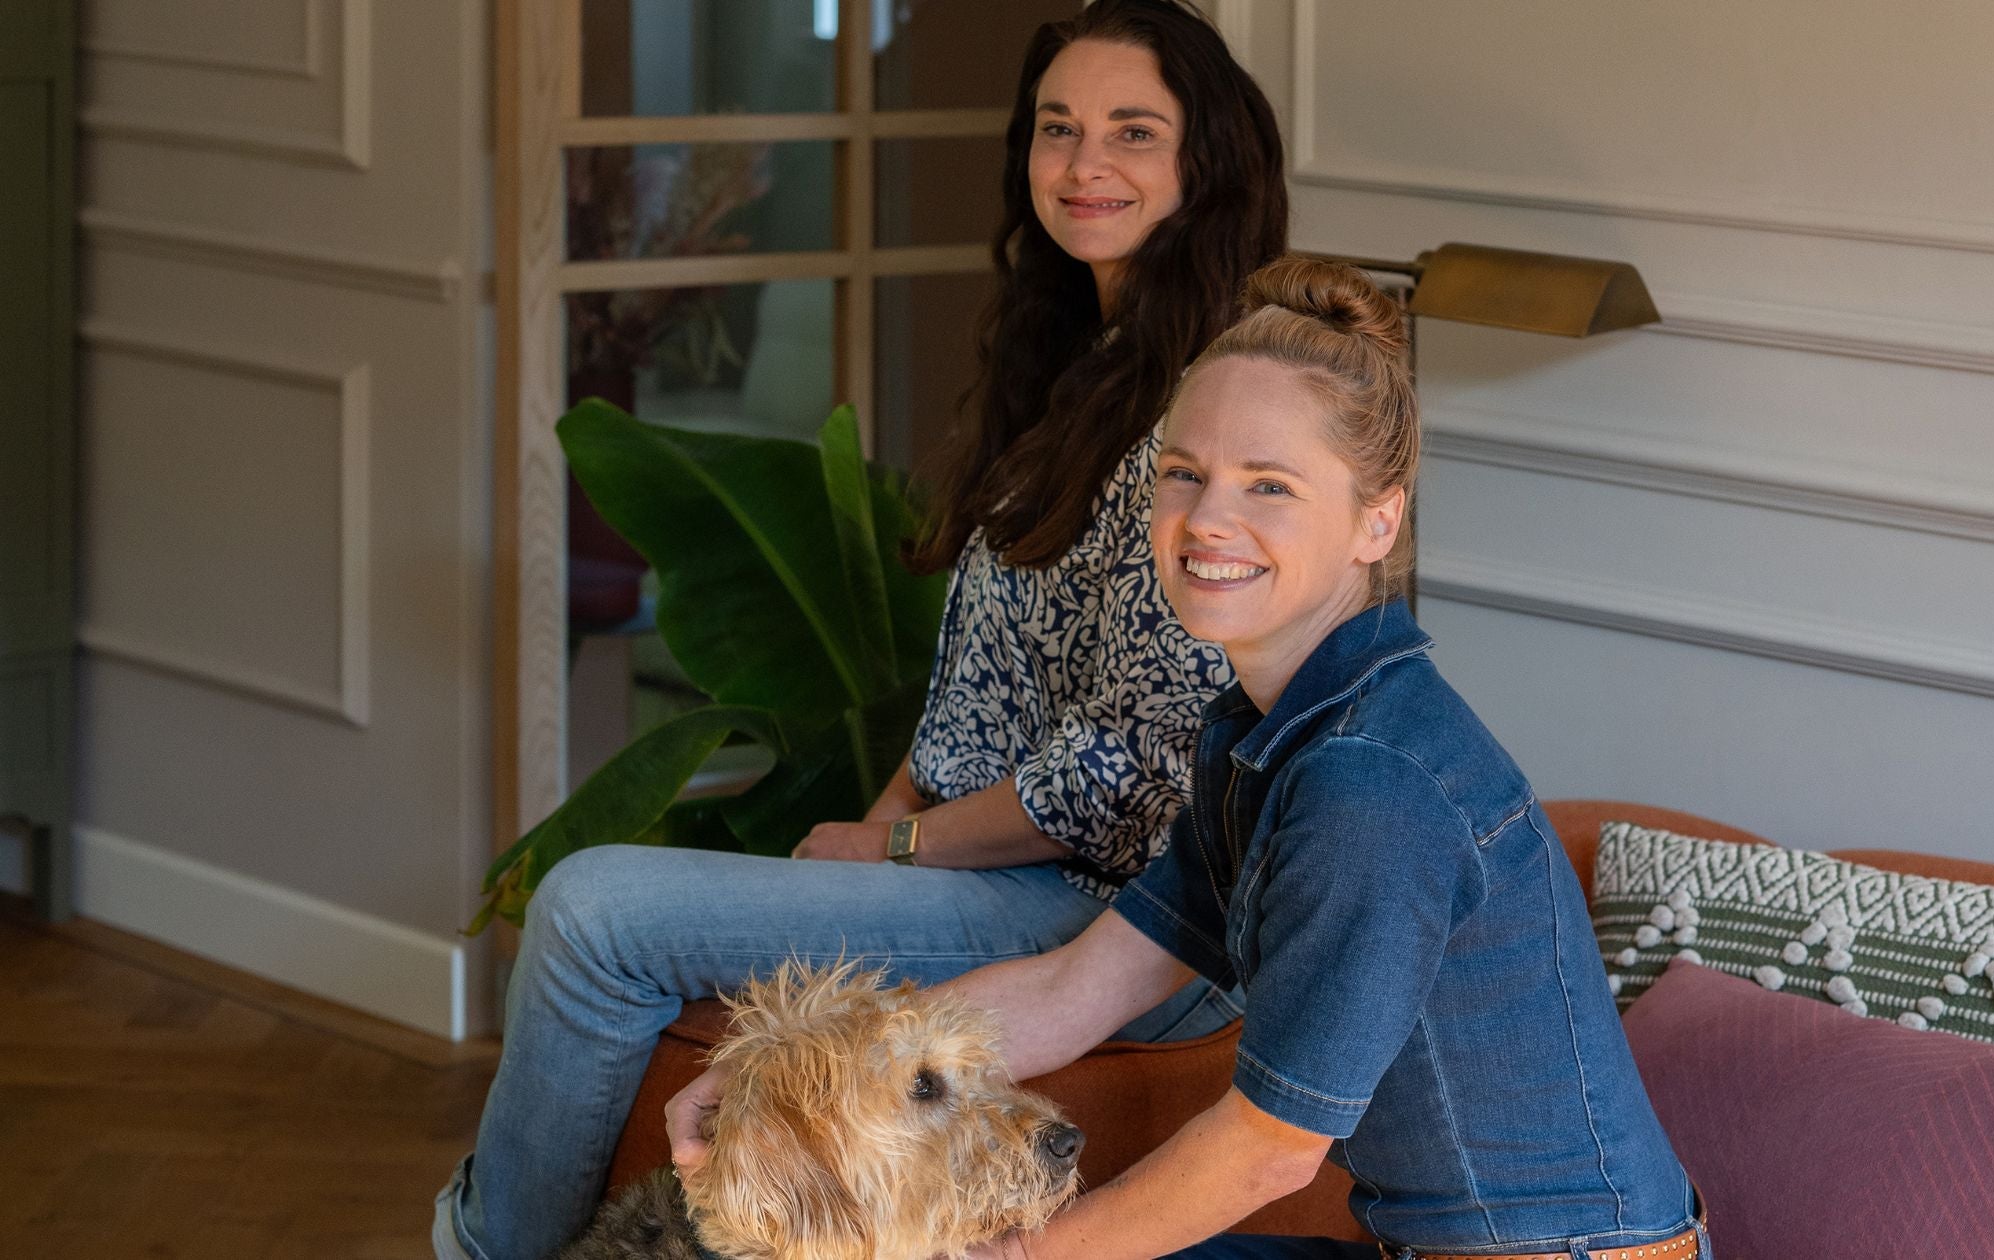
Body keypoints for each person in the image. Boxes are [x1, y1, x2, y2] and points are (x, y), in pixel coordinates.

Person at [434, 4, 1287, 1258]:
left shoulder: (1217, 408)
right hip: (1012, 884)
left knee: (590, 916)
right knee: (645, 918)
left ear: (1205, 165)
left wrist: (894, 851)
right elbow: (971, 715)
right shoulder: (1074, 374)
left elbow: (1129, 777)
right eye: (1057, 128)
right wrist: (860, 844)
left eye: (1131, 133)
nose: (1082, 163)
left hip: (1137, 927)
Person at [672, 258, 1708, 1260]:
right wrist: (771, 1081)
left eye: (1268, 486)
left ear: (1375, 521)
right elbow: (1072, 986)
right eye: (1183, 473)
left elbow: (1267, 1152)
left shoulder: (1369, 783)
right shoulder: (1264, 735)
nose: (1208, 520)